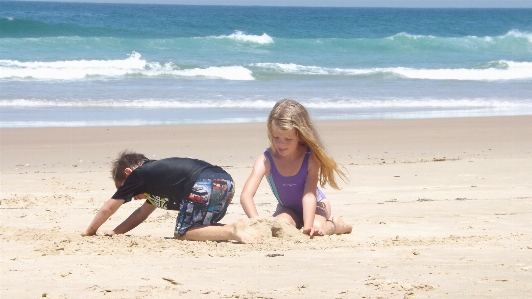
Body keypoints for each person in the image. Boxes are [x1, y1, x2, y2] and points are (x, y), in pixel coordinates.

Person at [81, 150, 262, 243]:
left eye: (128, 189)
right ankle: (243, 228)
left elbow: (109, 207)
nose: (132, 195)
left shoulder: (140, 174)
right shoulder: (158, 182)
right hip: (225, 182)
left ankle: (231, 230)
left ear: (129, 173)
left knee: (183, 233)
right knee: (202, 228)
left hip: (202, 183)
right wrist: (116, 232)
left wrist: (90, 231)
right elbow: (141, 214)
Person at [240, 99, 353, 237]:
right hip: (287, 209)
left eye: (288, 139)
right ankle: (300, 223)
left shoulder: (310, 159)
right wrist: (257, 223)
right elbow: (246, 196)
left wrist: (308, 225)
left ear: (300, 136)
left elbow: (309, 195)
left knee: (316, 229)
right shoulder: (266, 161)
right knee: (279, 228)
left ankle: (337, 225)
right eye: (276, 137)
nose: (281, 144)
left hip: (316, 205)